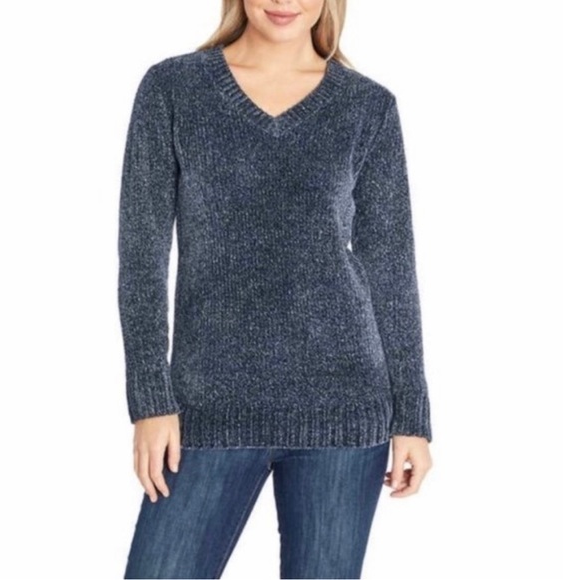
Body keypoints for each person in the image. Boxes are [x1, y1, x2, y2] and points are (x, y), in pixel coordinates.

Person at [118, 1, 434, 578]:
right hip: (204, 409)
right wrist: (150, 400)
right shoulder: (173, 89)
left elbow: (391, 265)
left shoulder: (367, 106)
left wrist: (412, 415)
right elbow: (142, 254)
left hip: (343, 411)